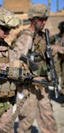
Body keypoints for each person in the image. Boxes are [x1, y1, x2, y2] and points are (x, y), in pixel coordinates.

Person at [11, 4, 57, 133]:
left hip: (42, 84)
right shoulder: (26, 36)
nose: (44, 22)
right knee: (26, 121)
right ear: (33, 19)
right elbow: (16, 60)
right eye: (41, 19)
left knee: (48, 118)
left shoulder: (42, 36)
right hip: (28, 87)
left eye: (45, 19)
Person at [50, 21, 64, 95]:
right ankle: (58, 88)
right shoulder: (56, 36)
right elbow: (48, 42)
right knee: (56, 74)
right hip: (58, 58)